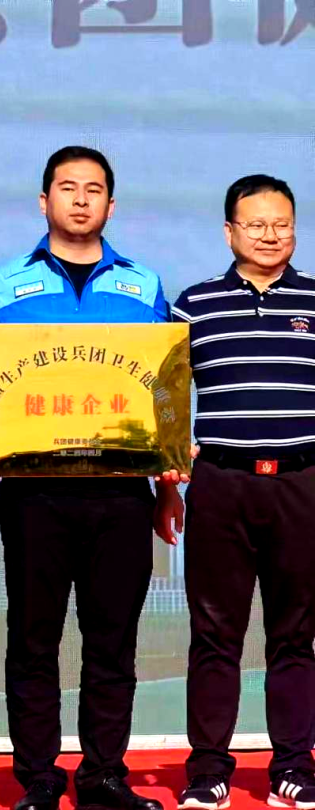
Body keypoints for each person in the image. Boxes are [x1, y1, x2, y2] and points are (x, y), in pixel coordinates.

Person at [0, 147, 170, 810]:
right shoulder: (4, 283)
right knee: (33, 638)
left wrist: (170, 486)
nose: (80, 199)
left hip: (122, 493)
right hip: (35, 492)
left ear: (111, 205)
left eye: (93, 189)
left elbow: (164, 389)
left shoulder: (143, 287)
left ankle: (104, 776)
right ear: (43, 200)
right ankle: (40, 779)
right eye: (67, 187)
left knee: (114, 643)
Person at [164, 175, 315, 810]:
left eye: (282, 224)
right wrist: (168, 472)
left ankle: (294, 768)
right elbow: (164, 398)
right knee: (214, 635)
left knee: (296, 635)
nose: (270, 235)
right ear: (229, 231)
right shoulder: (192, 307)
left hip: (302, 484)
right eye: (256, 224)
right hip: (221, 485)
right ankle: (208, 773)